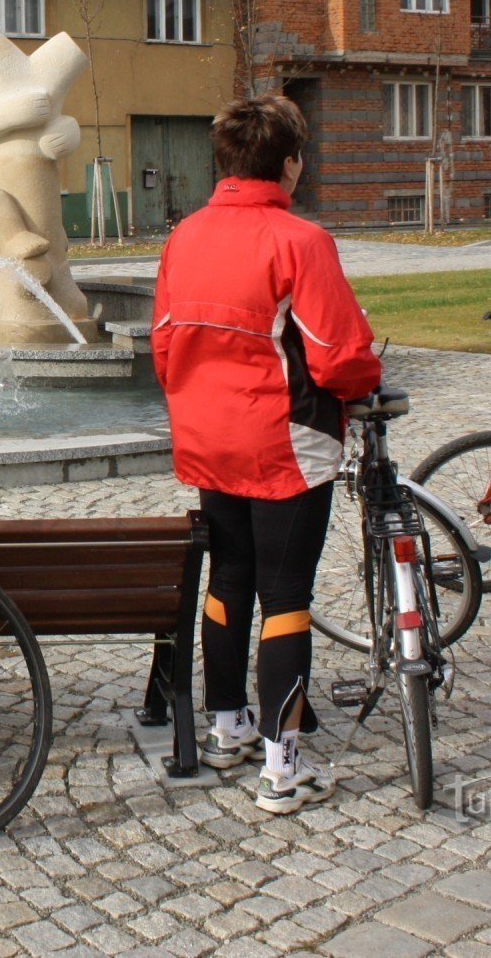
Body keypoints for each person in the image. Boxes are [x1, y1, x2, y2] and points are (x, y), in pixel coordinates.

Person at [150, 94, 380, 813]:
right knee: (286, 597)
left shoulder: (183, 236)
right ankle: (283, 768)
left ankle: (228, 726)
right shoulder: (300, 240)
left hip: (208, 437)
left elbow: (163, 344)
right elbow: (341, 357)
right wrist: (371, 374)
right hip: (283, 443)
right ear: (288, 163)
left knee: (230, 578)